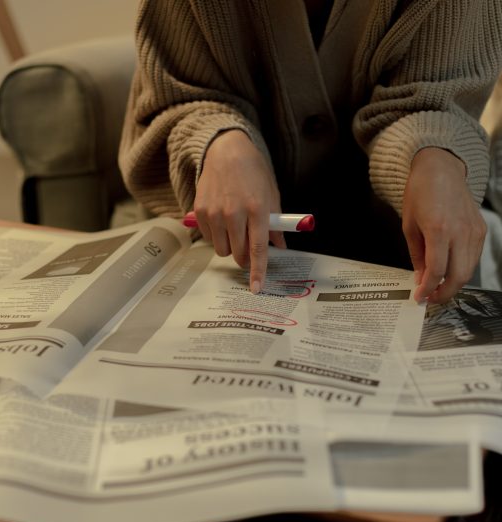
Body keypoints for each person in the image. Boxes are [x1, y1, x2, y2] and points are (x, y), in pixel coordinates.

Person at [119, 0, 502, 304]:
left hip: (394, 265)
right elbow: (172, 96)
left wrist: (436, 156)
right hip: (213, 255)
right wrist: (218, 142)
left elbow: (437, 99)